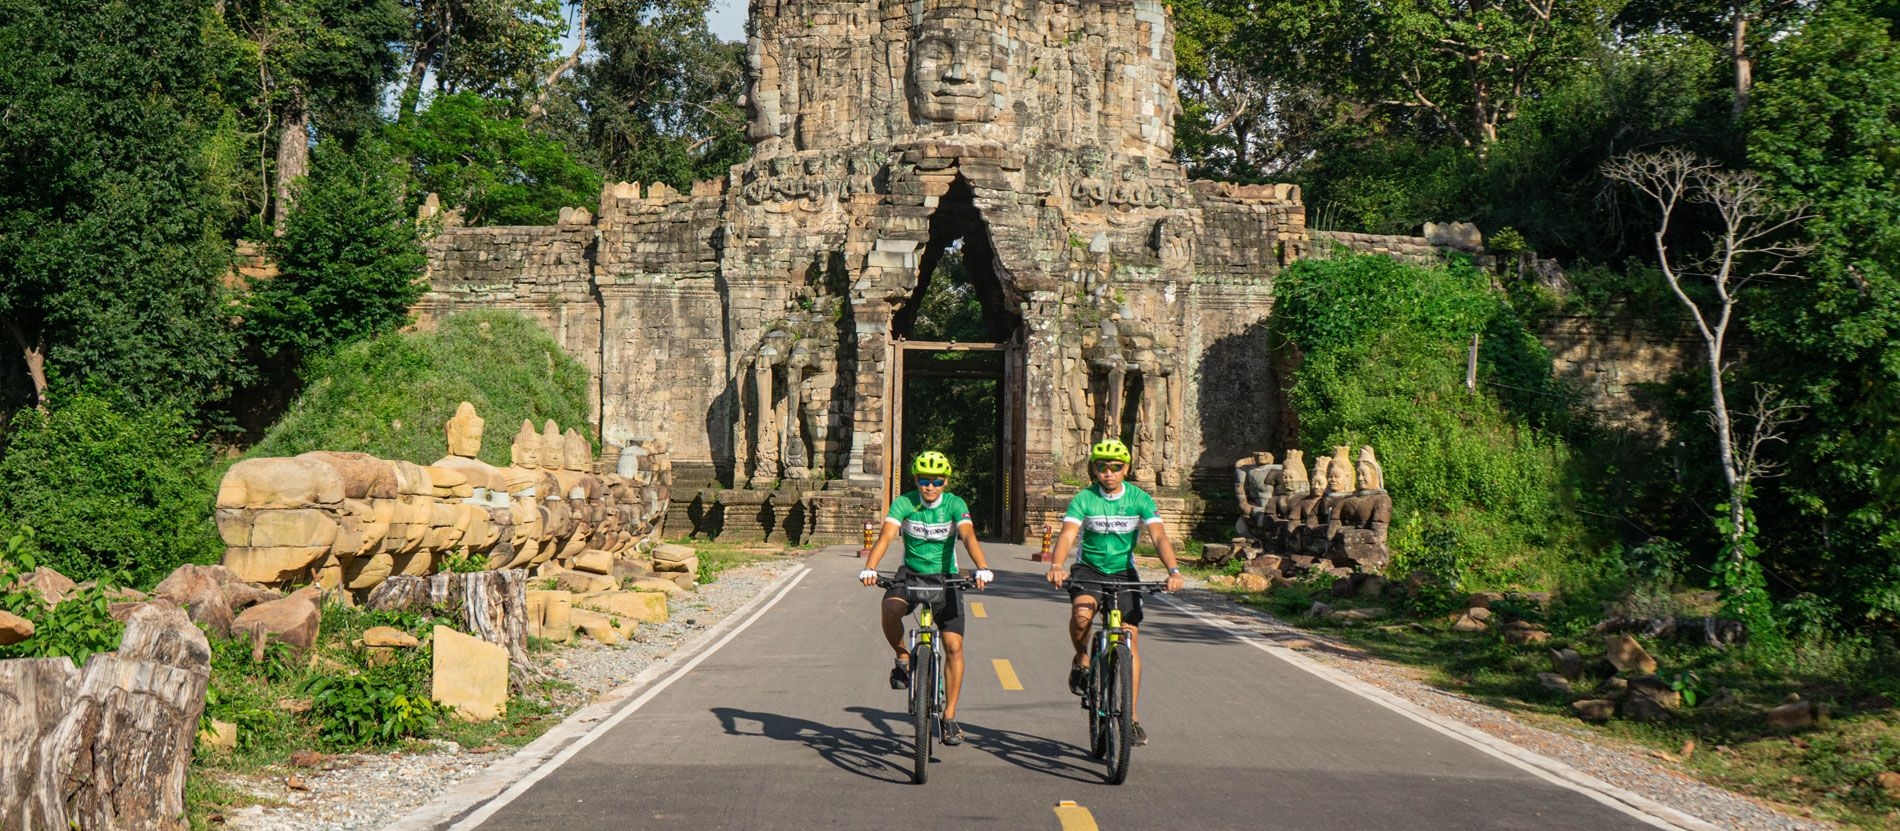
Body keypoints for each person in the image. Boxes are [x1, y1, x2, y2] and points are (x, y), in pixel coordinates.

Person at [1045, 438, 1184, 747]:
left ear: (1126, 469)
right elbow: (1068, 534)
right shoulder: (1084, 498)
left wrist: (1173, 570)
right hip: (1089, 569)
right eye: (1102, 467)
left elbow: (1159, 536)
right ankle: (1082, 657)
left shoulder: (1139, 499)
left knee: (1129, 639)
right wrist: (1056, 565)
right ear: (1094, 470)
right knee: (1082, 616)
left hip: (1123, 572)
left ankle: (1130, 718)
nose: (1109, 473)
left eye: (1116, 467)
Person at [859, 450, 994, 746]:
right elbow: (886, 536)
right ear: (916, 480)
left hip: (946, 576)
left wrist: (982, 567)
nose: (930, 486)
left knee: (953, 646)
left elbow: (968, 536)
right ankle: (903, 657)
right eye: (924, 480)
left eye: (936, 480)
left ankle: (950, 717)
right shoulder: (904, 502)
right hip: (911, 573)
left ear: (946, 481)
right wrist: (870, 567)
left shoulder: (955, 504)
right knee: (890, 608)